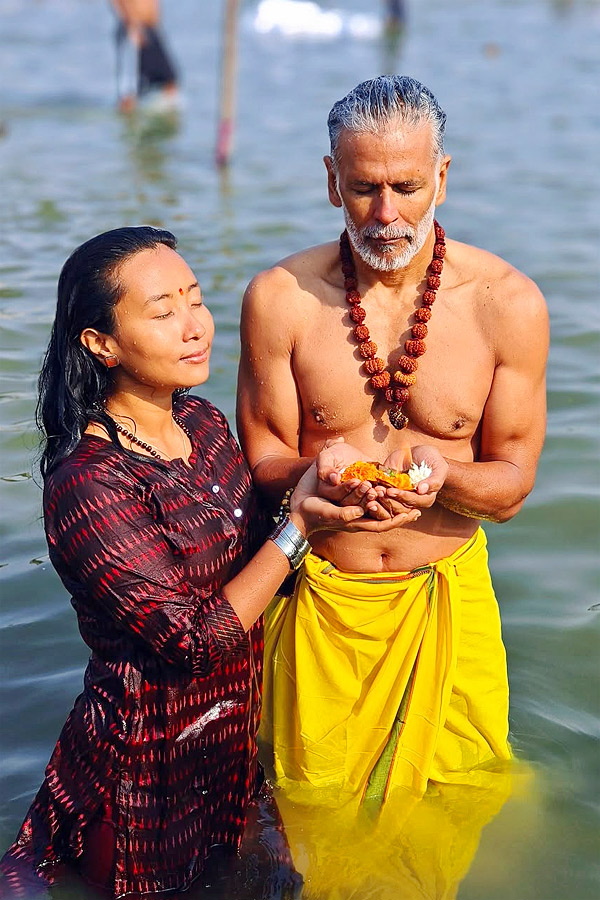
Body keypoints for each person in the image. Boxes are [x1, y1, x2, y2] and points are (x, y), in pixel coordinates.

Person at [0, 226, 409, 899]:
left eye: (195, 300)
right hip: (140, 779)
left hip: (227, 758)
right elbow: (194, 643)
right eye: (163, 313)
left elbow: (262, 572)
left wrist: (326, 498)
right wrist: (299, 524)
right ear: (100, 343)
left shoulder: (204, 425)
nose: (194, 327)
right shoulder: (88, 484)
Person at [236, 75, 549, 814]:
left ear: (442, 176)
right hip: (320, 605)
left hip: (447, 599)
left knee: (459, 810)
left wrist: (447, 477)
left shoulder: (508, 304)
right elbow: (262, 460)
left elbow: (511, 490)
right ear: (330, 181)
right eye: (363, 188)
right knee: (311, 822)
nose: (385, 214)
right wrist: (317, 472)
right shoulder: (280, 299)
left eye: (407, 186)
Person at [109, 0, 179, 112]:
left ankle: (162, 118)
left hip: (151, 30)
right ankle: (127, 120)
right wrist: (132, 26)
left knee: (169, 80)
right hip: (134, 29)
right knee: (129, 90)